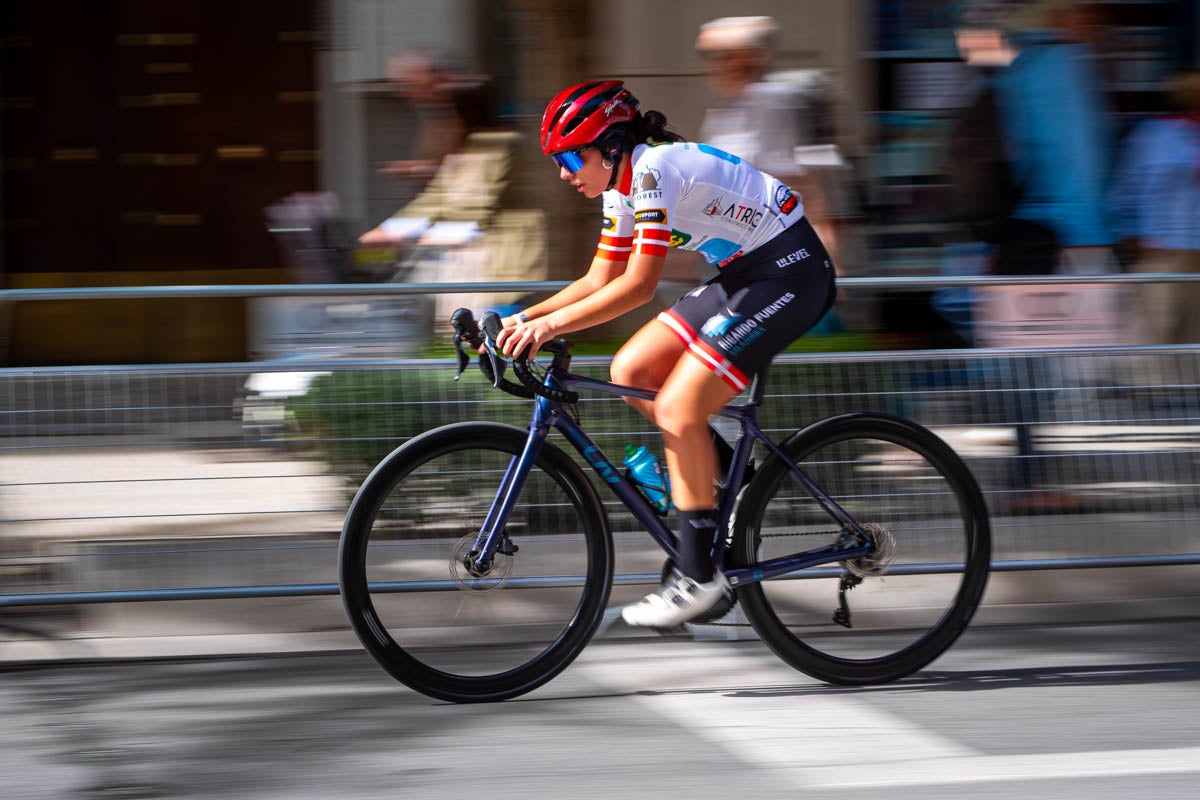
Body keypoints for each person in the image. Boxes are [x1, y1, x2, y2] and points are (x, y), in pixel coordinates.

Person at [494, 80, 836, 627]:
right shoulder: (620, 186)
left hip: (790, 271)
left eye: (567, 156)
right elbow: (600, 276)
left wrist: (549, 326)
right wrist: (523, 319)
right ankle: (730, 481)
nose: (562, 172)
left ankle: (699, 576)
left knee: (679, 408)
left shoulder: (654, 171)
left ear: (608, 146)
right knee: (631, 368)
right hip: (746, 273)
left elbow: (636, 287)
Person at [1109, 69, 1200, 349]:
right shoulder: (1153, 135)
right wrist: (1131, 232)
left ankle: (1188, 390)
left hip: (1186, 247)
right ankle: (1156, 391)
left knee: (1192, 336)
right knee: (1156, 333)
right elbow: (1128, 188)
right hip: (1162, 249)